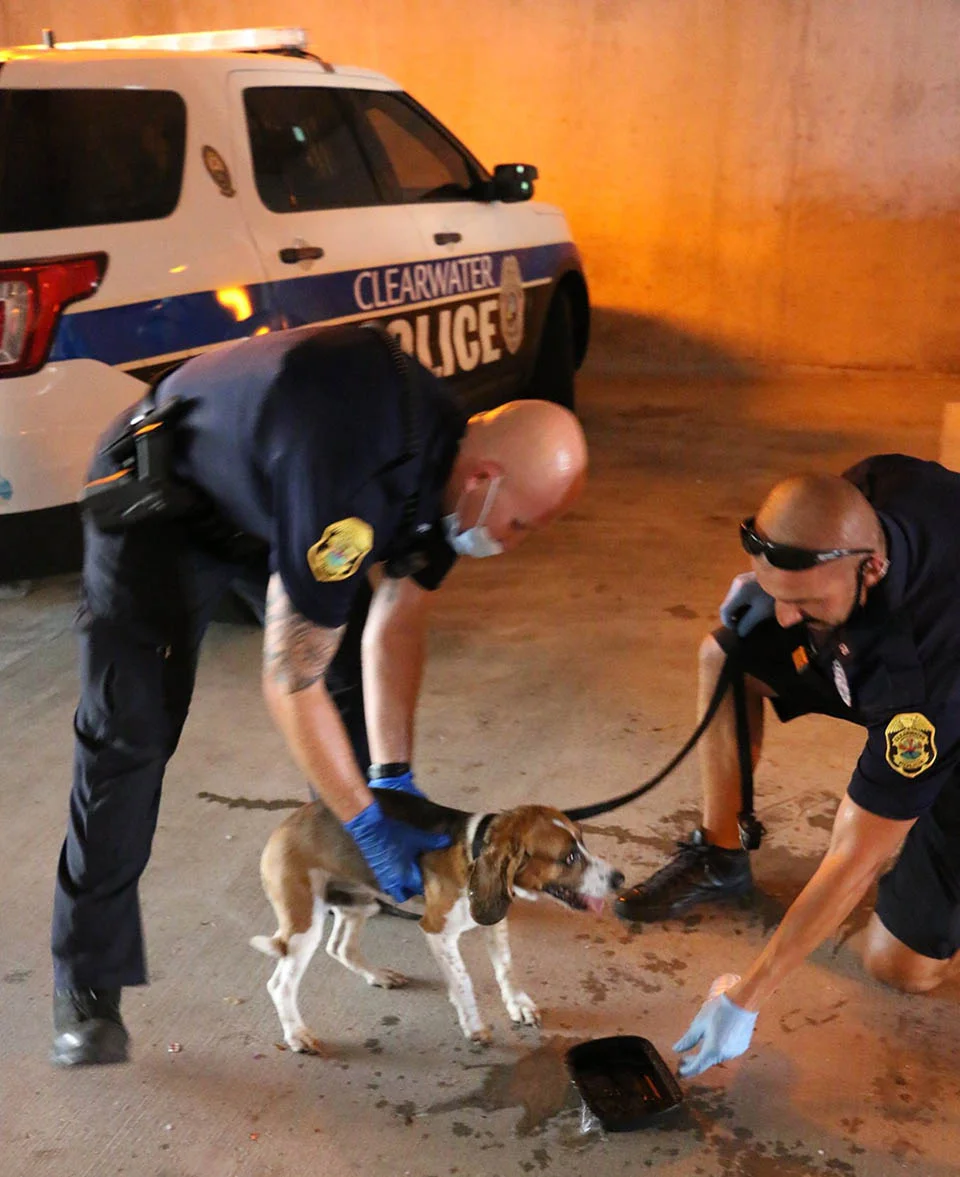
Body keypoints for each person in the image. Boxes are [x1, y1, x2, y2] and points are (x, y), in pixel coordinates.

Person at [51, 322, 588, 1066]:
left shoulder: (442, 459)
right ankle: (87, 981)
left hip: (268, 494)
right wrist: (367, 820)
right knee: (130, 732)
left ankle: (370, 868)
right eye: (521, 524)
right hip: (160, 498)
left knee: (347, 671)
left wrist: (391, 783)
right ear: (484, 476)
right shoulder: (353, 479)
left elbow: (398, 619)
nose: (515, 541)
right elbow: (289, 680)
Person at [616, 455, 960, 1076]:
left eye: (800, 600)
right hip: (873, 639)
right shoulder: (872, 489)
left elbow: (858, 851)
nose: (783, 616)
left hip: (942, 697)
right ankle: (720, 858)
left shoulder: (919, 675)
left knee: (899, 967)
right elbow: (807, 529)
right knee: (727, 655)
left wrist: (746, 997)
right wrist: (764, 587)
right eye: (777, 592)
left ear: (872, 567)